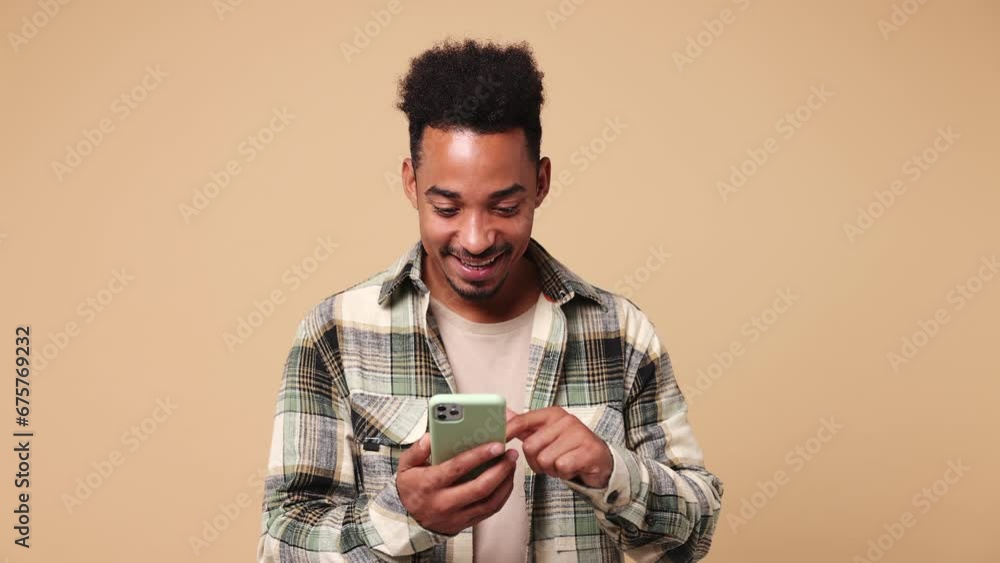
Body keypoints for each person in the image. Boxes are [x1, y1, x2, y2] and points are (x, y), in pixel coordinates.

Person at [257, 38, 723, 562]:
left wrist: (614, 473)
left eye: (504, 205)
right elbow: (281, 546)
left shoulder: (621, 332)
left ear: (541, 183)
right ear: (412, 184)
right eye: (447, 207)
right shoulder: (336, 334)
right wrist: (402, 518)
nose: (476, 239)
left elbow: (695, 531)